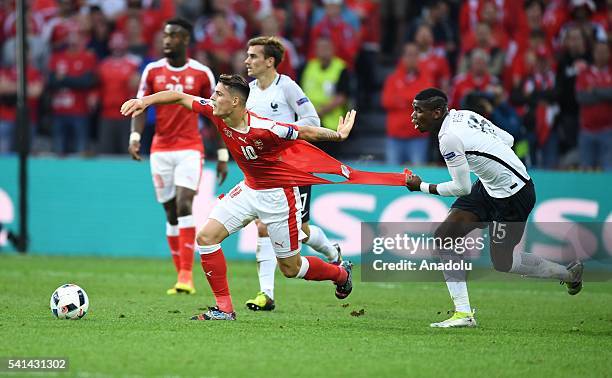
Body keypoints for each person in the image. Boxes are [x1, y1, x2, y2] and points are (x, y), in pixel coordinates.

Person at [121, 74, 357, 320]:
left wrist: (337, 135)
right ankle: (224, 309)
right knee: (206, 237)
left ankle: (340, 274)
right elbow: (179, 97)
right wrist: (145, 101)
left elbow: (304, 131)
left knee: (291, 268)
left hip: (277, 196)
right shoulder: (214, 110)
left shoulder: (266, 128)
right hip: (248, 189)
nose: (212, 98)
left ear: (235, 102)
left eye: (218, 94)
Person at [405, 88, 584, 328]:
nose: (413, 116)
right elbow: (508, 140)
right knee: (444, 237)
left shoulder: (448, 137)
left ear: (437, 112)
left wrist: (422, 187)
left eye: (418, 110)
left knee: (503, 262)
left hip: (513, 195)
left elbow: (461, 187)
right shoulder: (464, 114)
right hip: (489, 187)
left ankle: (569, 274)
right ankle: (463, 314)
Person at [242, 36, 341, 311]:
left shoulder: (286, 86)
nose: (247, 61)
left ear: (269, 61)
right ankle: (266, 294)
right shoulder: (248, 91)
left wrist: (280, 131)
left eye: (253, 56)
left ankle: (335, 255)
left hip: (294, 167)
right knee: (262, 225)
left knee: (301, 231)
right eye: (247, 56)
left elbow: (312, 121)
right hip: (264, 171)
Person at [128, 18, 226, 295]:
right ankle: (180, 274)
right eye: (165, 35)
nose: (166, 40)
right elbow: (139, 106)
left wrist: (221, 154)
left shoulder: (202, 73)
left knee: (185, 204)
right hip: (160, 149)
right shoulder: (152, 70)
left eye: (172, 36)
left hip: (190, 148)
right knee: (170, 212)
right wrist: (135, 138)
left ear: (185, 40)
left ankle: (186, 276)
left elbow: (215, 117)